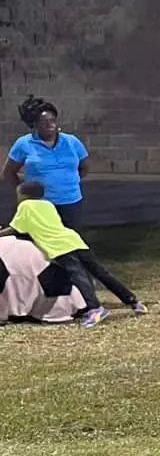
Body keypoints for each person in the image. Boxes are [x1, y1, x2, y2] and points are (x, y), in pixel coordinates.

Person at [2, 180, 142, 328]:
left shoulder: (25, 206)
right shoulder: (48, 205)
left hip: (60, 247)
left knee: (79, 277)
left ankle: (95, 309)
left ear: (23, 195)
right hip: (74, 240)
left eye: (18, 195)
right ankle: (132, 301)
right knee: (101, 273)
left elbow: (15, 228)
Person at [7, 97, 90, 229]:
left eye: (52, 120)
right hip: (41, 204)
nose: (50, 125)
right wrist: (24, 192)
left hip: (71, 202)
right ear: (34, 125)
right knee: (41, 238)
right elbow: (9, 172)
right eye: (44, 122)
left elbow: (84, 168)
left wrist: (68, 182)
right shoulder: (24, 144)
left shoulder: (72, 142)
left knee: (70, 237)